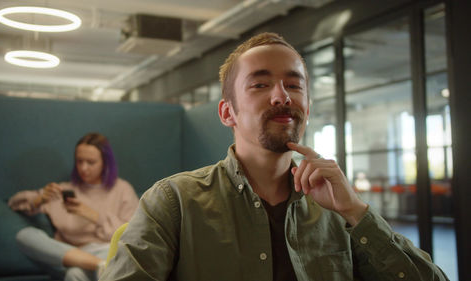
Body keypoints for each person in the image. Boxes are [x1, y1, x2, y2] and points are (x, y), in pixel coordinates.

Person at [101, 33, 448, 280]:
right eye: (260, 84)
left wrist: (356, 211)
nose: (282, 96)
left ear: (307, 108)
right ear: (227, 113)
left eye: (294, 85)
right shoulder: (174, 202)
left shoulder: (337, 212)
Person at [8, 133, 139, 281]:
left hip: (106, 250)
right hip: (71, 255)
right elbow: (14, 203)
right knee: (25, 236)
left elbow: (131, 236)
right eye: (79, 161)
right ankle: (99, 264)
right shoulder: (61, 191)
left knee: (74, 274)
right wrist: (40, 199)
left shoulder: (122, 190)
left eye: (91, 162)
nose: (83, 168)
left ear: (105, 162)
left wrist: (94, 216)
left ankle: (101, 264)